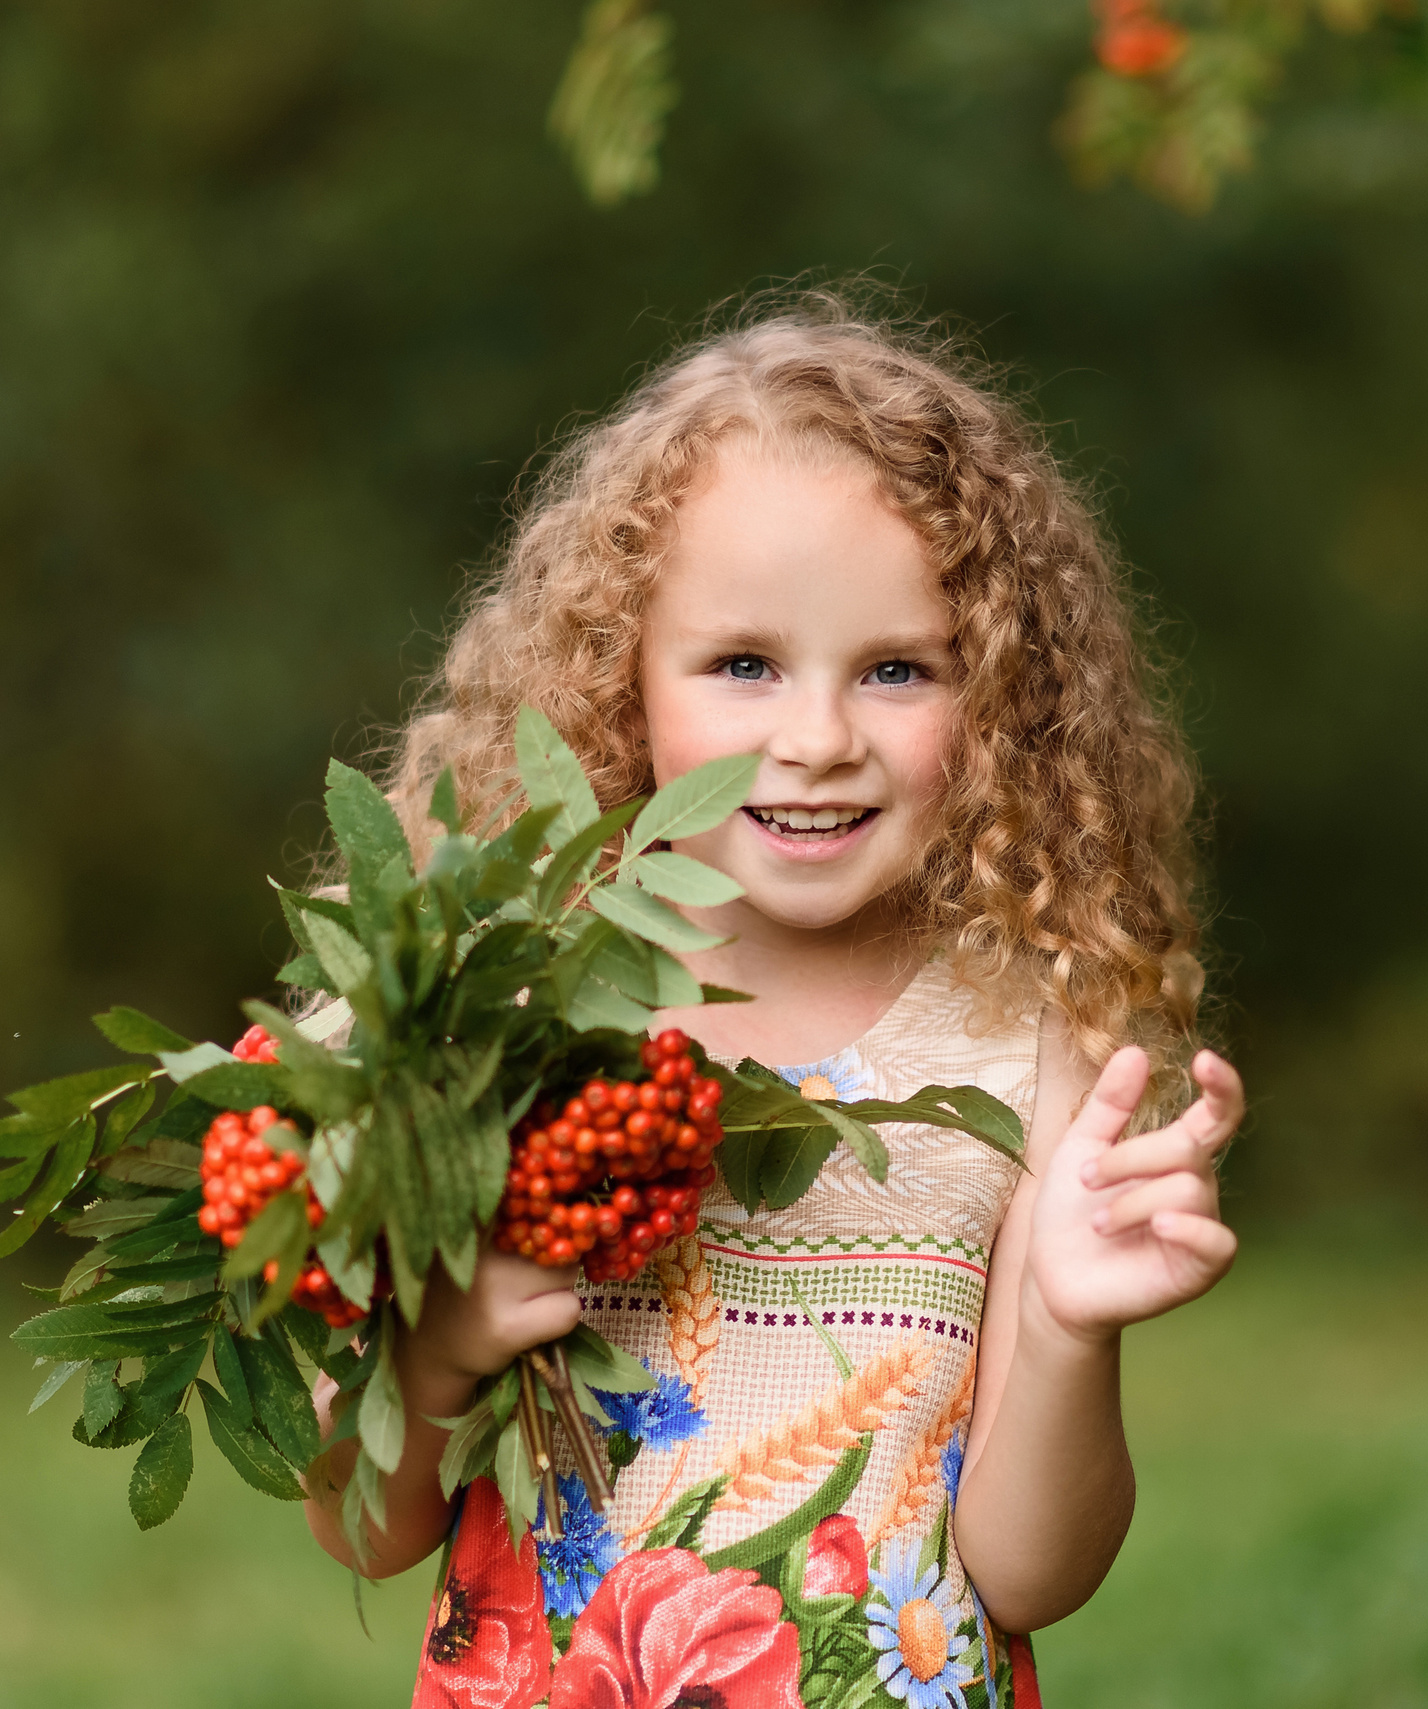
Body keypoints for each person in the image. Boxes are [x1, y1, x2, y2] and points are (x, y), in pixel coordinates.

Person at [302, 289, 1243, 1709]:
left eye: (897, 670)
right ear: (624, 682)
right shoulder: (497, 1011)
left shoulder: (1024, 1049)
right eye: (744, 664)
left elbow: (1031, 1573)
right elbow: (362, 1528)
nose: (816, 740)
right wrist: (435, 1350)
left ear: (997, 704)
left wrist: (1065, 1325)